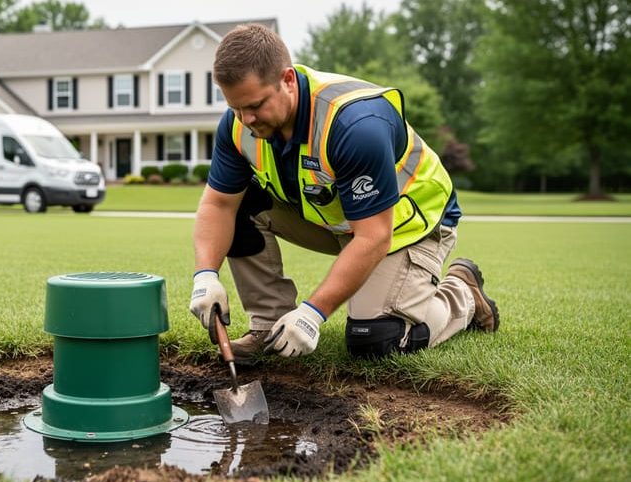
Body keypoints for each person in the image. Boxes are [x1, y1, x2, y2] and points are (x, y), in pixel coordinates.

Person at [188, 24, 499, 364]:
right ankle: (268, 326)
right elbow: (219, 204)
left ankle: (462, 295)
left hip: (408, 225)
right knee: (243, 204)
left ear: (288, 80)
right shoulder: (238, 125)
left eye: (256, 105)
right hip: (340, 221)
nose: (246, 119)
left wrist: (312, 313)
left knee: (376, 339)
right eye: (236, 108)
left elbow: (374, 236)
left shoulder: (354, 124)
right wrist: (205, 275)